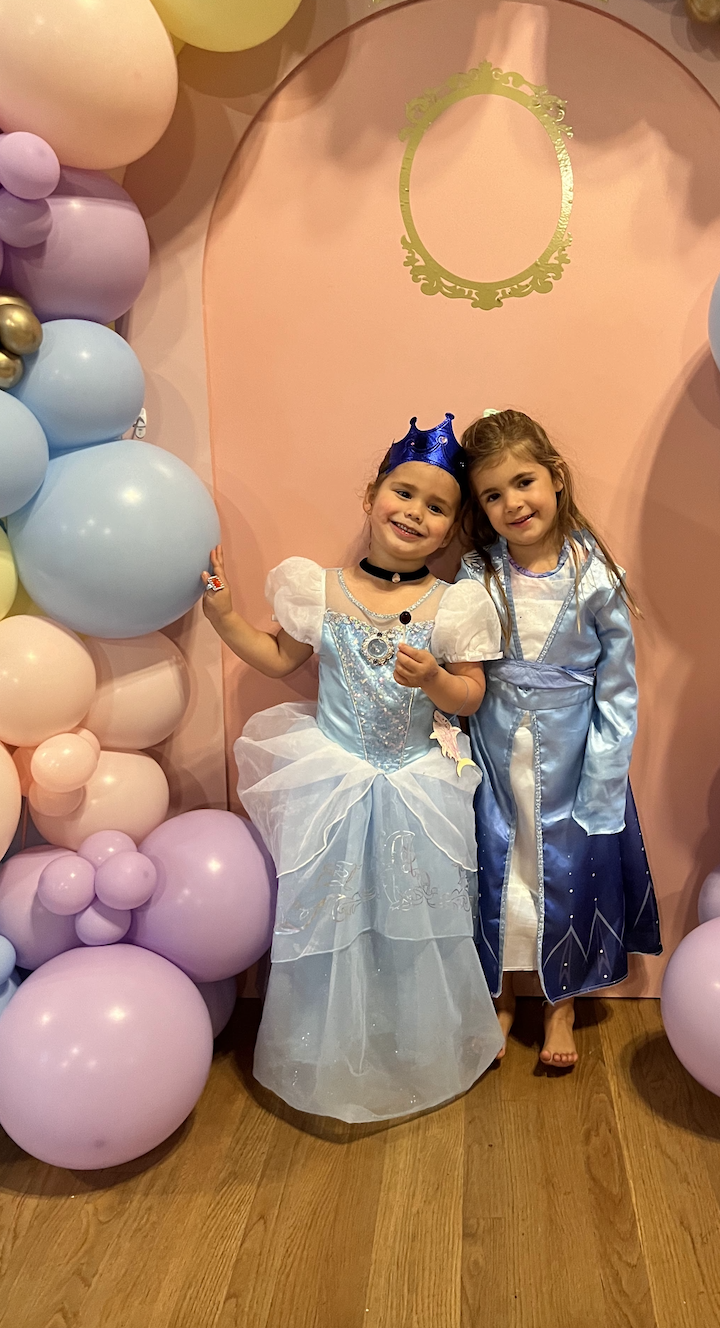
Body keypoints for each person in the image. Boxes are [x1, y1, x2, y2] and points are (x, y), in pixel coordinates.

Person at [200, 414, 504, 1122]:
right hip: (333, 779)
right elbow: (282, 659)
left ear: (452, 529)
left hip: (413, 783)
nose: (415, 513)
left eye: (437, 508)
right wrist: (224, 620)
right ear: (372, 495)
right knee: (329, 916)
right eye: (404, 494)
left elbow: (471, 693)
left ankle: (417, 1045)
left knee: (416, 920)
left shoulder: (449, 604)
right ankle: (324, 1047)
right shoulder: (321, 588)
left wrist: (433, 678)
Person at [457, 409, 661, 1069]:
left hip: (572, 763)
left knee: (566, 878)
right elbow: (461, 662)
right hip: (494, 755)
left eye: (524, 482)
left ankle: (562, 1002)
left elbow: (618, 687)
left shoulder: (596, 576)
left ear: (555, 478)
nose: (513, 503)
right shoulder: (476, 575)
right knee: (501, 872)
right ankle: (502, 993)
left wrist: (602, 779)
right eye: (493, 494)